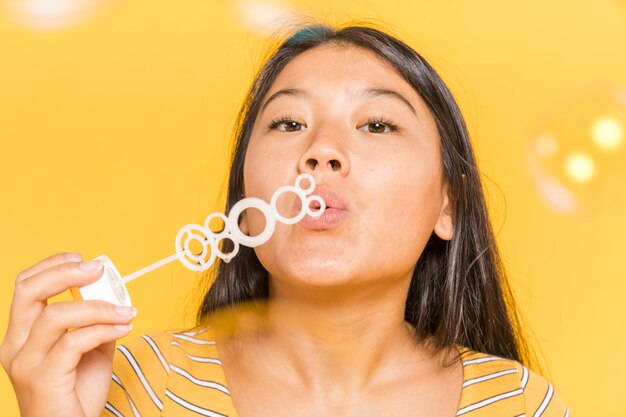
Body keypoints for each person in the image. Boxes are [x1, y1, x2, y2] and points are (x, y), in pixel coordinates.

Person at [0, 23, 570, 416]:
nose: (321, 151)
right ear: (246, 194)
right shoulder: (133, 389)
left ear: (448, 204)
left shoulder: (519, 404)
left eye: (376, 125)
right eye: (288, 124)